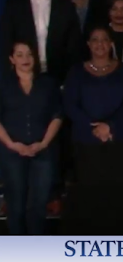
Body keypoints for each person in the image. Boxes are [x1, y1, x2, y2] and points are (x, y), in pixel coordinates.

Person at [62, 27, 123, 234]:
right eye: (95, 40)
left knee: (119, 195)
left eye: (104, 39)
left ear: (111, 43)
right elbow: (70, 105)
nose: (100, 44)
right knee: (90, 195)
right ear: (88, 44)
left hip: (120, 141)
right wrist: (95, 128)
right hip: (87, 143)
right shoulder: (76, 72)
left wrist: (110, 126)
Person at [0, 41, 62, 234]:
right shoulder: (3, 84)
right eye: (19, 55)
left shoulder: (48, 83)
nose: (25, 59)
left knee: (38, 206)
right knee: (16, 206)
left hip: (42, 151)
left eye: (28, 54)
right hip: (12, 152)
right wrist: (12, 144)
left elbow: (58, 115)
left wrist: (43, 143)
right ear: (11, 59)